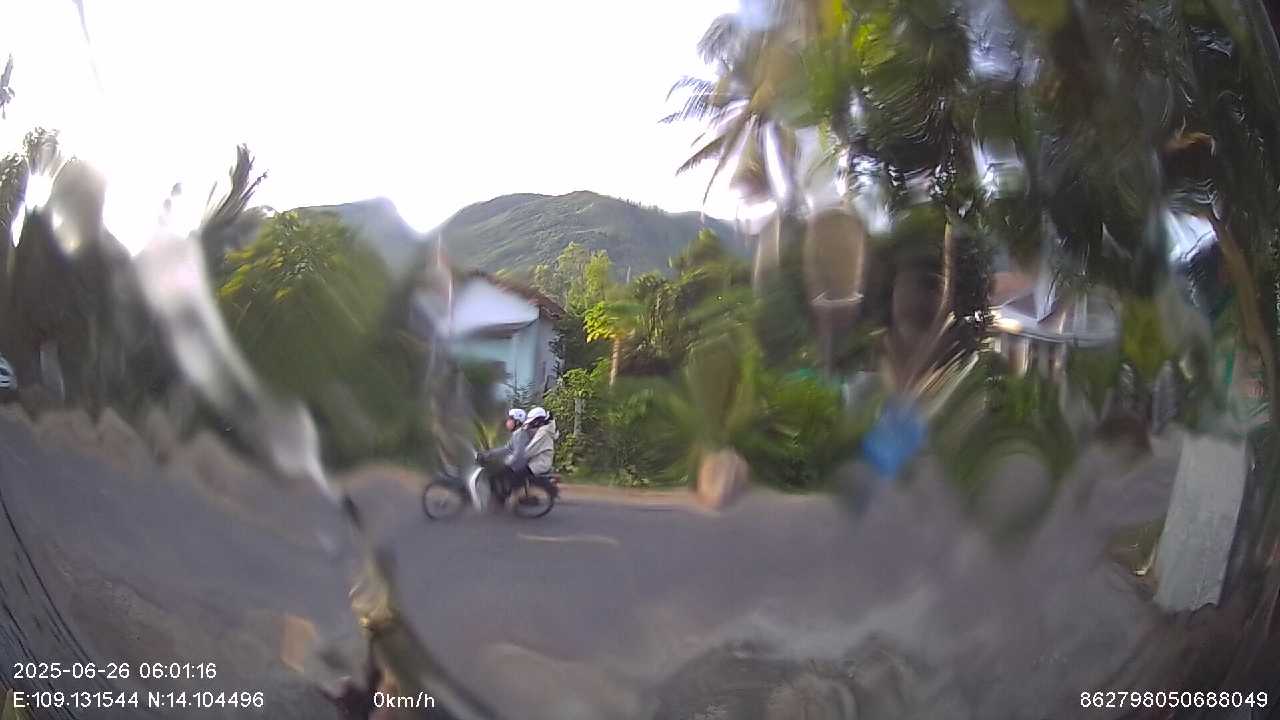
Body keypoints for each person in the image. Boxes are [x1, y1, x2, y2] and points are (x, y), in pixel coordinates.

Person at [476, 408, 531, 509]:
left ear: (517, 422)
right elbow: (506, 448)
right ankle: (501, 497)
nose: (507, 422)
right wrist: (488, 454)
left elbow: (518, 454)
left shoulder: (521, 434)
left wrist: (506, 462)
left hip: (517, 466)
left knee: (492, 474)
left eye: (510, 419)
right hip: (515, 463)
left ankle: (500, 499)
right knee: (495, 474)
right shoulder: (517, 433)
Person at [523, 406, 557, 477]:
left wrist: (514, 457)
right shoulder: (545, 429)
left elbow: (529, 451)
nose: (530, 425)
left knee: (514, 473)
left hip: (539, 464)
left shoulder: (543, 432)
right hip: (538, 462)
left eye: (532, 422)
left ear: (537, 422)